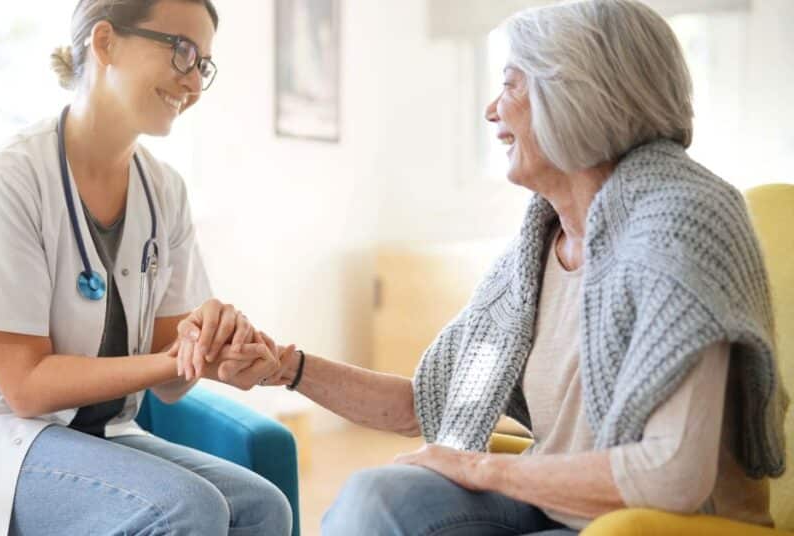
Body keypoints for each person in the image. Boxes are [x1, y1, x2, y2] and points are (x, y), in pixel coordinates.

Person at [221, 0, 786, 534]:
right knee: (376, 497)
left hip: (659, 523)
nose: (492, 110)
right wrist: (286, 366)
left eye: (511, 85)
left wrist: (484, 469)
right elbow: (429, 402)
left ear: (578, 95)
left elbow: (672, 477)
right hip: (552, 505)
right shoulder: (536, 250)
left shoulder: (682, 223)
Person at [0, 1, 291, 534]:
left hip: (94, 435)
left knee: (263, 508)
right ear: (105, 42)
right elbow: (25, 386)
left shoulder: (164, 190)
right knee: (186, 507)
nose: (192, 83)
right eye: (181, 52)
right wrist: (174, 361)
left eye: (203, 64)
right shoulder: (7, 179)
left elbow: (173, 374)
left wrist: (216, 347)